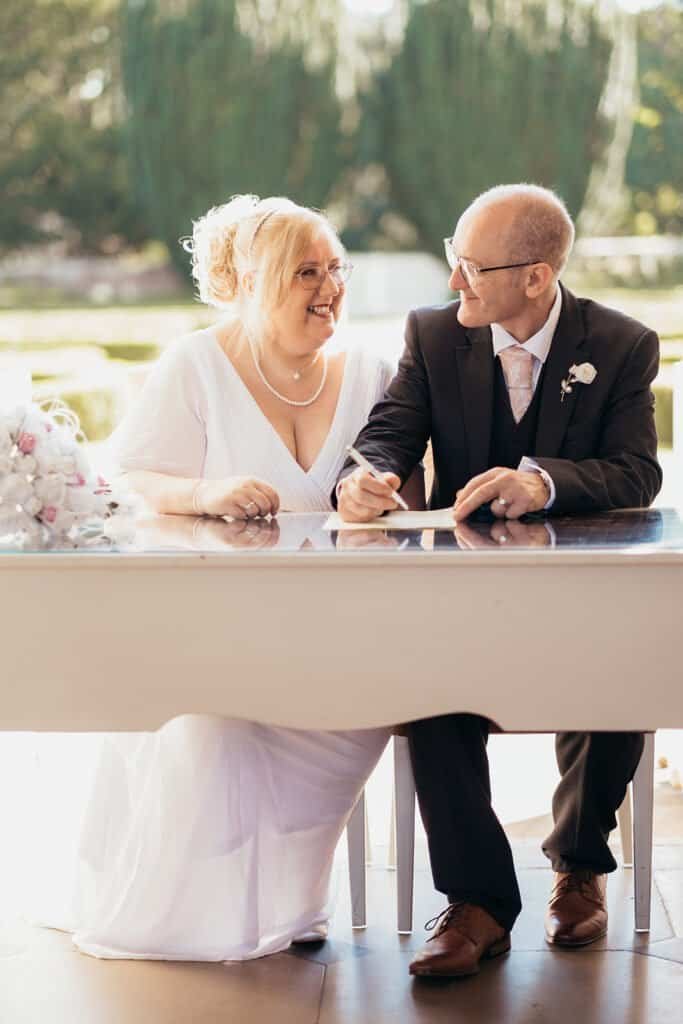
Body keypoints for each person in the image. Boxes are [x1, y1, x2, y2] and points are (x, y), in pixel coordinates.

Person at [43, 195, 400, 962]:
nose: (329, 287)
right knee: (212, 726)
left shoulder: (374, 369)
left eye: (335, 268)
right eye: (306, 271)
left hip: (346, 642)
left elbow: (417, 483)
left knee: (360, 712)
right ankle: (206, 917)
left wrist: (382, 496)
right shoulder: (196, 365)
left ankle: (286, 901)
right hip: (215, 634)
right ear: (252, 280)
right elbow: (129, 480)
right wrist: (201, 494)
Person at [335, 183, 662, 979]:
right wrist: (365, 478)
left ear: (536, 277)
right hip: (461, 600)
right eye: (454, 262)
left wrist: (542, 483)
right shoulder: (432, 335)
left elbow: (635, 472)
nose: (456, 283)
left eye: (472, 268)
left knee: (618, 676)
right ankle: (477, 901)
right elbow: (386, 436)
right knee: (429, 696)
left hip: (581, 598)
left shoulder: (621, 343)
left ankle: (578, 863)